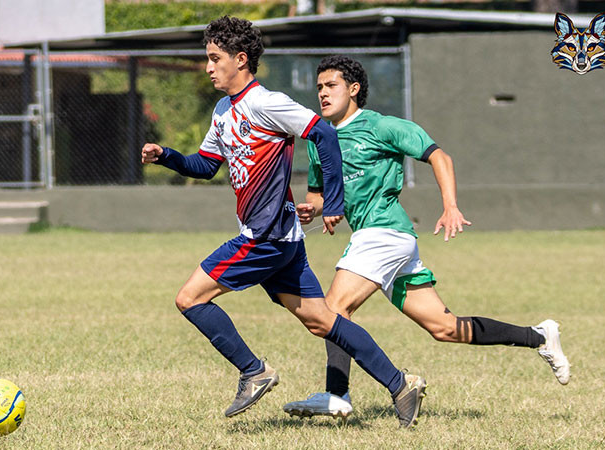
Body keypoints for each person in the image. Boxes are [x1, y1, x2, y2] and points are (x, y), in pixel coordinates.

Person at [141, 18, 427, 428]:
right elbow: (205, 166)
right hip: (282, 238)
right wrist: (166, 154)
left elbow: (323, 136)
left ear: (241, 60)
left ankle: (253, 371)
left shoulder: (267, 103)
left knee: (190, 298)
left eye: (214, 58)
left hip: (265, 236)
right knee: (322, 320)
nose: (208, 67)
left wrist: (333, 199)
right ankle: (401, 385)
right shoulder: (223, 111)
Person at [282, 55, 571, 419]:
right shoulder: (319, 140)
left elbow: (440, 157)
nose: (322, 93)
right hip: (382, 241)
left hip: (384, 232)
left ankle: (338, 394)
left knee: (333, 310)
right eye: (319, 87)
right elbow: (319, 196)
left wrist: (450, 206)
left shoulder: (382, 126)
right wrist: (315, 210)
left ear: (353, 89)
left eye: (331, 86)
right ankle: (540, 336)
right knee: (445, 327)